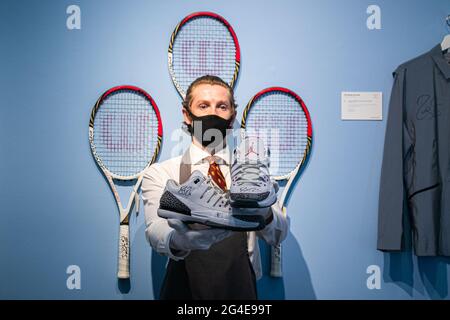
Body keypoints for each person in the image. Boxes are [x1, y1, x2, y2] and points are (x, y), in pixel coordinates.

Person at [141, 75, 289, 300]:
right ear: (187, 115)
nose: (213, 113)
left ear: (232, 116)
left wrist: (264, 212)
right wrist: (180, 241)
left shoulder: (252, 172)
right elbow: (155, 230)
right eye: (203, 106)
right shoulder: (162, 173)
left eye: (222, 106)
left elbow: (279, 233)